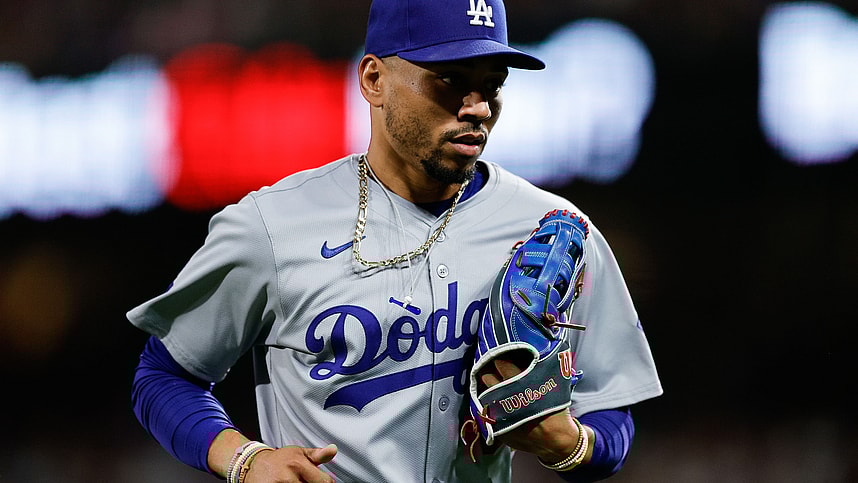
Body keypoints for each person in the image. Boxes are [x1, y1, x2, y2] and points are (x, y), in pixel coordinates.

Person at [128, 0, 663, 482]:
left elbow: (612, 407)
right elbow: (163, 376)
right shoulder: (270, 226)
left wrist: (573, 446)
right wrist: (243, 459)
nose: (478, 106)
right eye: (450, 81)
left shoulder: (551, 226)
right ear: (374, 79)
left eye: (492, 83)